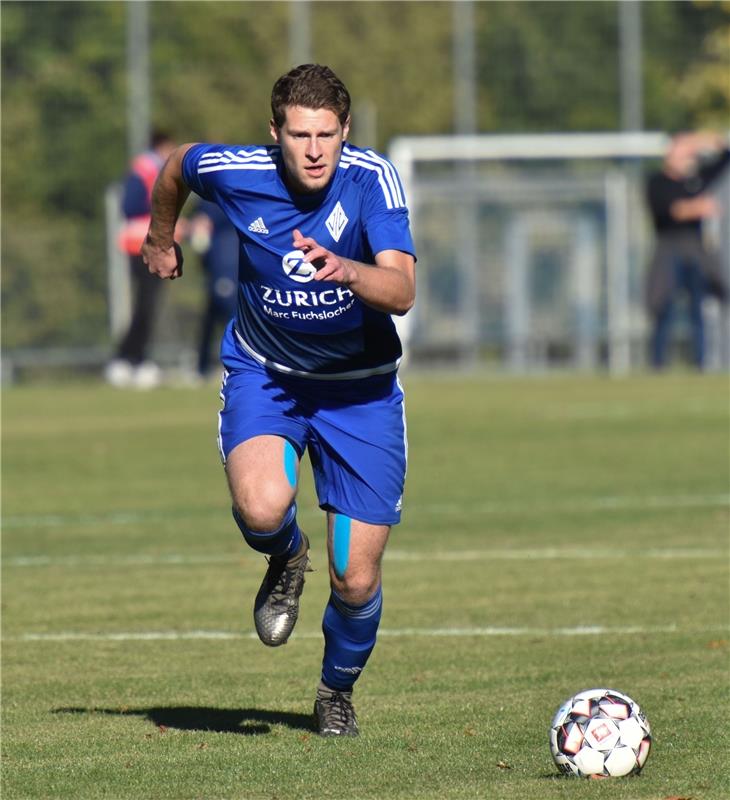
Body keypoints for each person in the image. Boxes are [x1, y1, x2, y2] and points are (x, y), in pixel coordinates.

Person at [142, 64, 416, 736]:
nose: (315, 149)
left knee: (354, 578)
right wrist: (159, 236)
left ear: (345, 131)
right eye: (300, 134)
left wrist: (349, 269)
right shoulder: (237, 170)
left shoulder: (371, 179)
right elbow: (177, 166)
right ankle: (286, 556)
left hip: (361, 396)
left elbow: (403, 291)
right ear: (276, 134)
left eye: (327, 133)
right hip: (269, 377)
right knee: (261, 507)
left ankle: (334, 692)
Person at [645, 131, 730, 369]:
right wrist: (698, 207)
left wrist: (699, 141)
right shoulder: (657, 182)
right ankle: (658, 363)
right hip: (668, 248)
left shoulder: (696, 181)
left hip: (694, 248)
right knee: (664, 307)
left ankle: (699, 363)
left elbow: (725, 157)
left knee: (698, 308)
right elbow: (671, 210)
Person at [105, 131, 178, 389]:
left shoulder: (152, 169)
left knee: (147, 306)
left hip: (151, 245)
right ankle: (130, 358)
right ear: (161, 145)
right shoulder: (146, 170)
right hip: (141, 246)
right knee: (145, 305)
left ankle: (131, 357)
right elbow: (130, 206)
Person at [188, 200, 239, 378]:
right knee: (213, 317)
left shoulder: (227, 196)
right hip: (218, 265)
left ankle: (236, 364)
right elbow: (198, 226)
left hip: (229, 265)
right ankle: (202, 366)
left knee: (231, 316)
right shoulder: (209, 197)